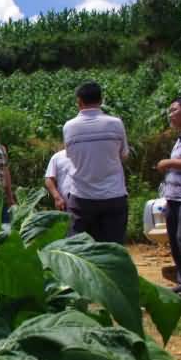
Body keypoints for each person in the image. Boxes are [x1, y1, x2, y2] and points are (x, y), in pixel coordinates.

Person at [63, 81, 129, 243]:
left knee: (79, 248)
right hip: (113, 195)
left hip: (81, 197)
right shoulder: (116, 123)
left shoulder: (69, 127)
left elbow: (70, 157)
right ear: (101, 100)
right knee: (113, 247)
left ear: (79, 102)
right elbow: (124, 155)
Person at [157, 96, 181, 294]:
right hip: (173, 197)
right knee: (174, 240)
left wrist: (169, 163)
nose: (170, 115)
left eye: (174, 110)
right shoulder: (179, 138)